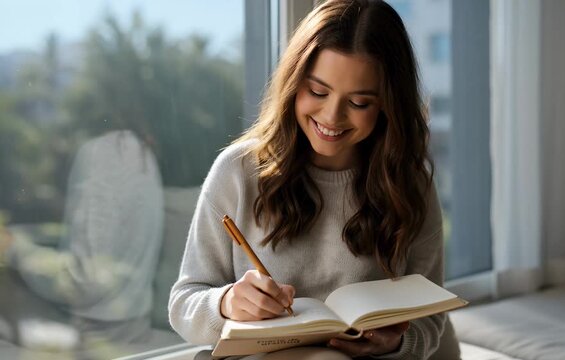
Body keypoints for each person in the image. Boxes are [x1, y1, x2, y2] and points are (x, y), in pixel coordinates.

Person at [169, 0, 457, 358]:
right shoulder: (238, 171)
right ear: (293, 82)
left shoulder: (409, 183)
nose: (332, 116)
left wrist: (396, 343)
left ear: (387, 103)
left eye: (359, 102)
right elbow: (184, 303)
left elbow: (431, 321)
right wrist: (227, 302)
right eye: (318, 92)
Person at [0, 125, 163, 353]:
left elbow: (87, 278)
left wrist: (12, 247)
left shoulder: (105, 154)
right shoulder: (138, 152)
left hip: (103, 342)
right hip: (132, 332)